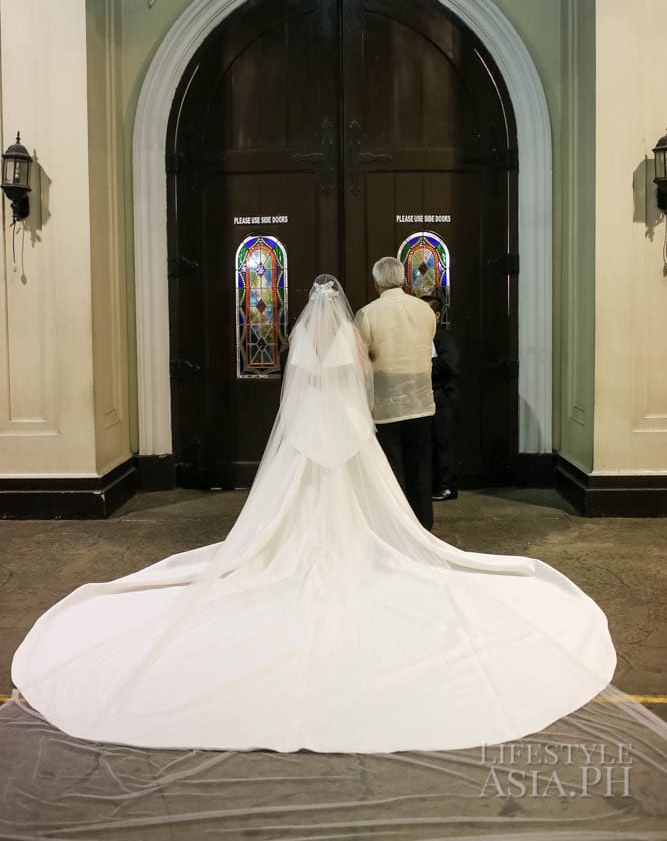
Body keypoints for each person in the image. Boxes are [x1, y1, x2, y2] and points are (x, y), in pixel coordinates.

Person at [11, 275, 616, 754]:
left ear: (308, 309)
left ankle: (295, 545)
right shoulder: (353, 334)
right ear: (341, 307)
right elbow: (363, 376)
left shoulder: (302, 338)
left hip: (308, 424)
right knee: (361, 488)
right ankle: (366, 541)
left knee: (296, 493)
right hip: (347, 423)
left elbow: (293, 382)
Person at [354, 257, 436, 530]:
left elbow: (360, 358)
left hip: (385, 401)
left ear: (376, 282)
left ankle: (398, 527)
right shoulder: (425, 310)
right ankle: (423, 524)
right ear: (403, 279)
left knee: (391, 467)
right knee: (420, 464)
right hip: (420, 398)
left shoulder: (368, 314)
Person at [423, 296, 460, 501]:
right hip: (425, 395)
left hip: (443, 396)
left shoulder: (443, 337)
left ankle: (448, 487)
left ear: (437, 315)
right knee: (429, 443)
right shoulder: (420, 335)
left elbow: (450, 366)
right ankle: (433, 485)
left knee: (443, 442)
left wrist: (426, 362)